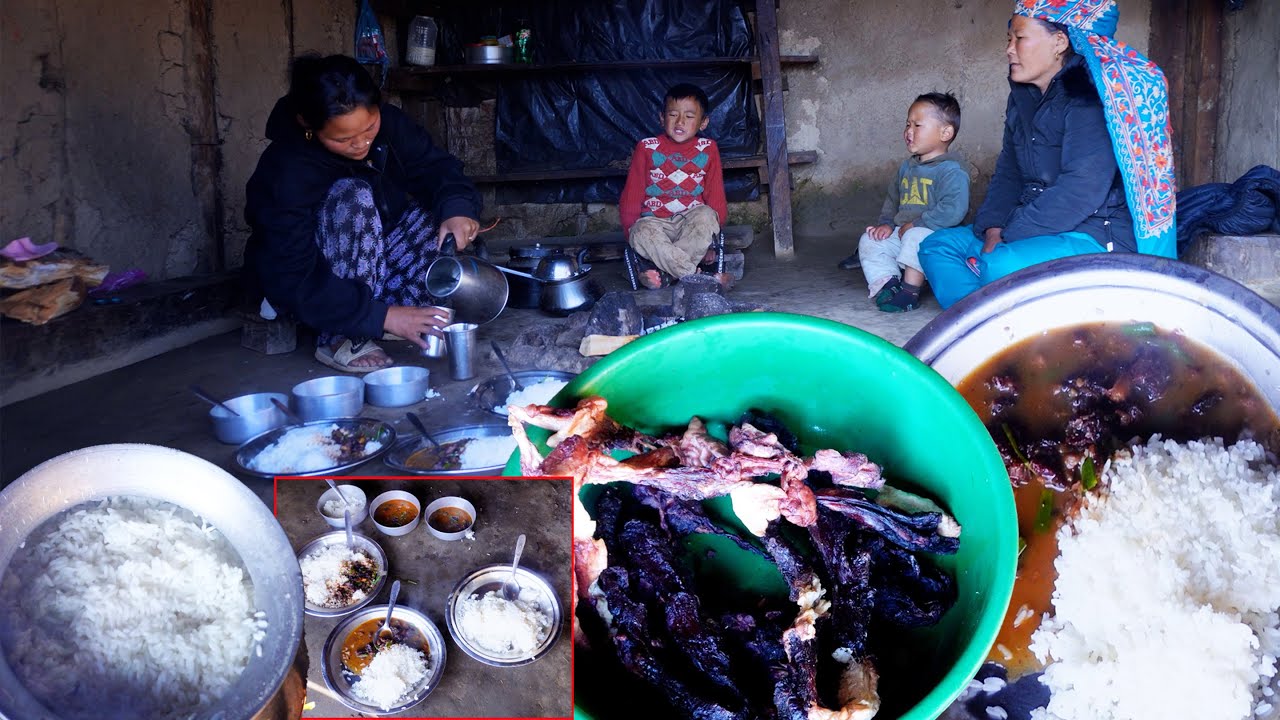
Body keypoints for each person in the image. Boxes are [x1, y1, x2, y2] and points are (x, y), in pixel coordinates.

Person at [919, 0, 1177, 309]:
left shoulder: (1089, 101)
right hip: (1028, 225)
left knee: (999, 266)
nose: (1009, 49)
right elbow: (1009, 173)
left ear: (1059, 42)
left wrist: (1009, 237)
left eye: (1020, 38)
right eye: (1009, 39)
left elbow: (1081, 190)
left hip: (1091, 234)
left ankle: (989, 305)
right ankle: (986, 315)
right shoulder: (1023, 98)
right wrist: (992, 229)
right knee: (936, 246)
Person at [244, 54, 483, 372]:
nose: (361, 144)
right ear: (307, 125)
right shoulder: (287, 170)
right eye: (343, 139)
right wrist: (382, 317)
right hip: (314, 277)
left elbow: (436, 168)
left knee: (440, 223)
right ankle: (340, 335)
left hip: (375, 264)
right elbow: (290, 270)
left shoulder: (391, 124)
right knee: (352, 195)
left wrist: (457, 210)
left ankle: (386, 312)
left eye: (370, 127)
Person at [839, 92, 970, 312]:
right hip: (904, 232)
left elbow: (953, 211)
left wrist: (917, 224)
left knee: (915, 236)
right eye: (907, 124)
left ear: (945, 132)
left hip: (937, 238)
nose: (909, 131)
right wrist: (886, 224)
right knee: (870, 240)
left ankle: (910, 292)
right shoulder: (907, 168)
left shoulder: (952, 171)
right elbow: (893, 200)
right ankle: (887, 284)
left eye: (917, 125)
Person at [619, 83, 730, 289]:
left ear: (703, 122)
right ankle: (697, 279)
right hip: (655, 224)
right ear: (662, 118)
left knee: (706, 215)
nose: (680, 122)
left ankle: (665, 275)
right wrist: (631, 233)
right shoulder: (647, 148)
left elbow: (715, 196)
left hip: (689, 225)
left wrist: (711, 239)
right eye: (673, 115)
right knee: (640, 231)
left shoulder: (707, 149)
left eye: (689, 116)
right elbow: (631, 195)